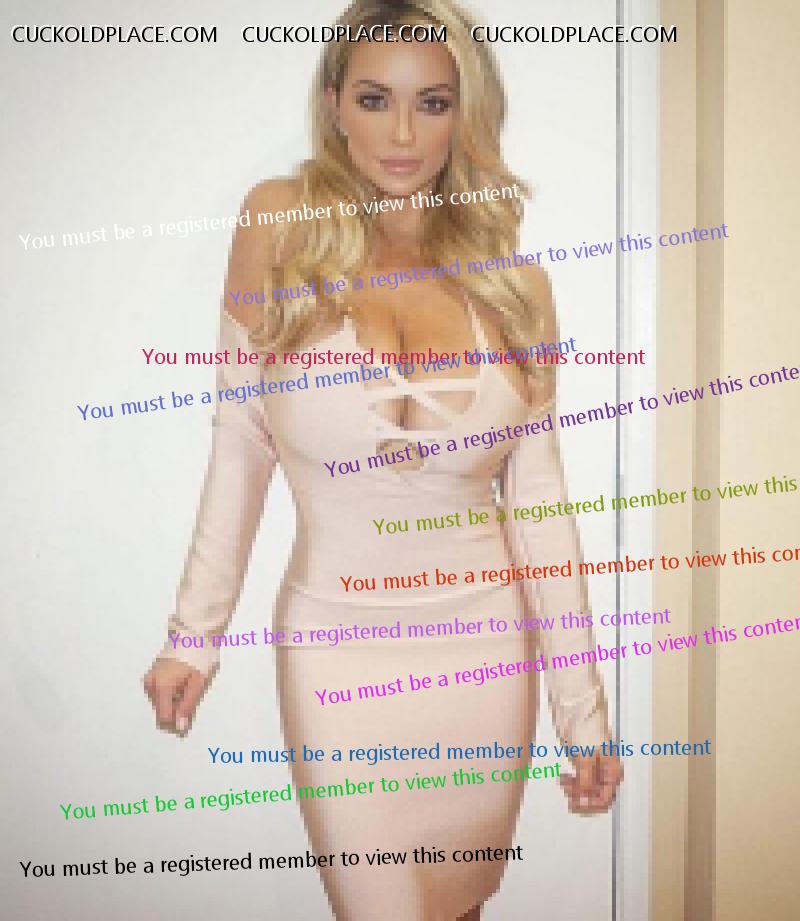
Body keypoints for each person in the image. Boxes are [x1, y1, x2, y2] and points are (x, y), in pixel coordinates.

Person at [144, 1, 623, 917]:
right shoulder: (279, 224)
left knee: (460, 904)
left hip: (485, 656)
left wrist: (583, 712)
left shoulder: (516, 287)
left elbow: (539, 504)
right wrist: (193, 636)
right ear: (334, 103)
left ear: (463, 111)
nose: (403, 133)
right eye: (375, 99)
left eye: (432, 103)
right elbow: (241, 439)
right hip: (338, 650)